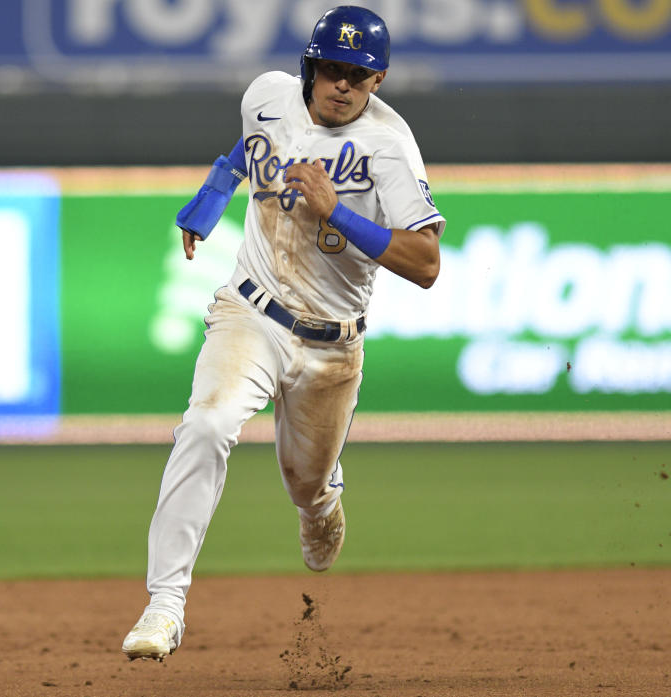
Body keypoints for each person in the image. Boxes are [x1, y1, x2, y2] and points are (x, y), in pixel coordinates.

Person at [122, 4, 445, 661]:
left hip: (331, 344)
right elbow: (256, 144)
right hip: (251, 310)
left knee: (303, 480)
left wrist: (339, 214)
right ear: (308, 66)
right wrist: (214, 194)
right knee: (207, 424)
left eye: (358, 73)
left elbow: (426, 263)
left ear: (377, 80)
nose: (342, 84)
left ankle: (321, 501)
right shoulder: (266, 95)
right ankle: (165, 604)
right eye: (330, 67)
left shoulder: (388, 145)